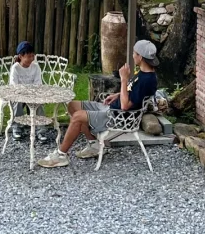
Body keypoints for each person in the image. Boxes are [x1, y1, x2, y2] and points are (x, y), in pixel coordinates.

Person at [36, 39, 159, 168]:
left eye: (134, 53)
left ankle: (61, 155)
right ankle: (94, 144)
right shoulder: (143, 73)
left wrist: (123, 80)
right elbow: (132, 92)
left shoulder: (147, 79)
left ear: (140, 56)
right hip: (112, 108)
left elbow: (125, 106)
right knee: (73, 105)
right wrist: (116, 95)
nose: (133, 56)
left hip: (118, 116)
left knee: (78, 117)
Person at [8, 41, 51, 141]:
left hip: (32, 94)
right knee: (16, 102)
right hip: (19, 94)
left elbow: (38, 84)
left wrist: (33, 94)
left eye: (33, 56)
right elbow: (14, 86)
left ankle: (40, 130)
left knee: (39, 104)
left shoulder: (35, 67)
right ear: (21, 56)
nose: (32, 58)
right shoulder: (15, 68)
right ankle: (17, 128)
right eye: (29, 56)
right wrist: (23, 93)